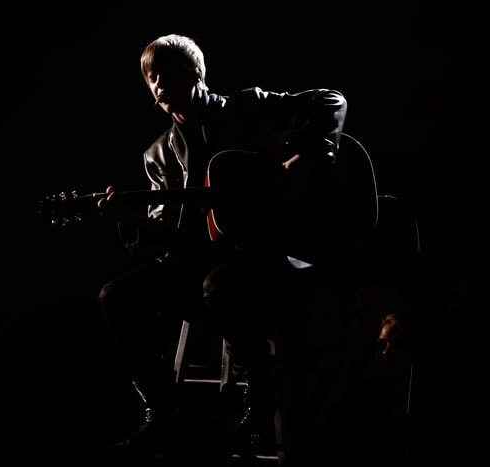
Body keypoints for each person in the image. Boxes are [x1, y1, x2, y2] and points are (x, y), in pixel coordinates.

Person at [96, 33, 349, 464]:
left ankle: (261, 394)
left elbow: (332, 101)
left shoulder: (246, 108)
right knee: (116, 295)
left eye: (167, 73)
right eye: (151, 77)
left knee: (221, 285)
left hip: (270, 255)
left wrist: (298, 158)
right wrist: (132, 221)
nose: (158, 84)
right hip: (201, 264)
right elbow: (173, 235)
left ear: (196, 74)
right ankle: (162, 414)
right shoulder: (157, 155)